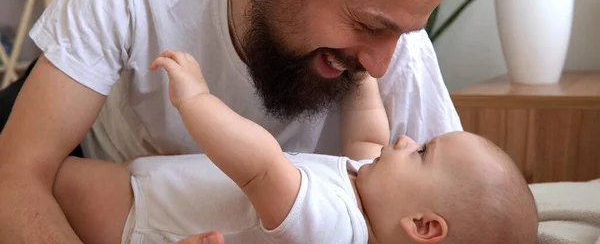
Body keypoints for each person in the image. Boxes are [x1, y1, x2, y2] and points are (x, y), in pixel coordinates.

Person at [0, 0, 473, 243]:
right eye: (368, 26)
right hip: (97, 159)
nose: (382, 65)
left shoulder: (399, 48)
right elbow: (18, 175)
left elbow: (459, 218)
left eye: (405, 33)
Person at [53, 50, 539, 244]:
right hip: (148, 191)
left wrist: (197, 99)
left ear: (424, 226)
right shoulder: (370, 195)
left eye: (422, 152)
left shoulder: (333, 228)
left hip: (140, 214)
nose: (407, 138)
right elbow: (368, 135)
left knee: (40, 182)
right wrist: (361, 72)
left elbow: (261, 167)